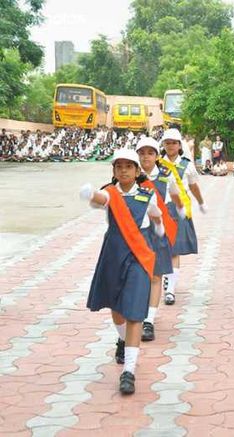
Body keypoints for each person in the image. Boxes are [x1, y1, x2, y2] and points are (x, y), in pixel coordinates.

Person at [79, 149, 165, 395]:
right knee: (116, 310)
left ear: (138, 172)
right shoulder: (110, 193)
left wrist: (159, 229)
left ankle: (129, 371)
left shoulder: (148, 195)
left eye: (129, 166)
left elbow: (157, 216)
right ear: (114, 171)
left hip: (139, 257)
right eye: (119, 166)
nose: (124, 170)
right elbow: (100, 199)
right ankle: (122, 338)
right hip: (114, 255)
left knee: (135, 311)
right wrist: (89, 194)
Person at [136, 137, 184, 342]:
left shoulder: (166, 176)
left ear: (157, 156)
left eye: (150, 153)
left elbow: (175, 195)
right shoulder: (130, 176)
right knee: (138, 276)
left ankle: (149, 321)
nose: (146, 157)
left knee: (156, 277)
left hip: (157, 232)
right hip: (135, 233)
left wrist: (181, 211)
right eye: (142, 153)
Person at [159, 128, 208, 305]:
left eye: (174, 143)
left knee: (174, 249)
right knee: (158, 248)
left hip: (177, 209)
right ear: (163, 145)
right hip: (158, 209)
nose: (170, 146)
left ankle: (170, 289)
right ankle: (163, 277)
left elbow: (193, 186)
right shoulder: (156, 163)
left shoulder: (186, 165)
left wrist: (201, 203)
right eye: (167, 142)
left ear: (179, 145)